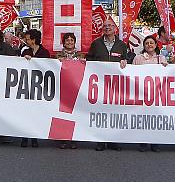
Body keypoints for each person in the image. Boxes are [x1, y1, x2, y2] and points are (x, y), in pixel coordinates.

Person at [87, 18, 127, 151]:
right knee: (100, 112)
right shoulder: (96, 44)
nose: (107, 28)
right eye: (105, 26)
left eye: (110, 25)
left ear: (115, 28)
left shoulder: (122, 45)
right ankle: (100, 140)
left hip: (115, 85)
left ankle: (113, 140)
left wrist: (125, 61)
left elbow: (126, 60)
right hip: (99, 84)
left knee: (115, 113)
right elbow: (89, 60)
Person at [133, 35, 167, 152]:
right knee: (143, 118)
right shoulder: (138, 58)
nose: (149, 45)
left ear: (156, 45)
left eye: (151, 43)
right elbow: (132, 74)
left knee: (156, 118)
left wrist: (166, 67)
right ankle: (143, 142)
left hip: (157, 94)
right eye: (147, 43)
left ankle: (155, 143)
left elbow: (166, 74)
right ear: (144, 46)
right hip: (142, 93)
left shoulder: (161, 58)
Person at [20, 29, 50, 147]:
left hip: (40, 86)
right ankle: (24, 136)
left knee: (36, 112)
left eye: (28, 38)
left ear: (33, 39)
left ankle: (34, 137)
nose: (26, 41)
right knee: (26, 112)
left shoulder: (44, 52)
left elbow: (48, 66)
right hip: (27, 85)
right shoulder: (25, 51)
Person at [56, 32, 85, 149]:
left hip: (76, 87)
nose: (69, 42)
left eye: (71, 40)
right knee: (62, 114)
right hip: (62, 87)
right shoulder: (57, 56)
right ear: (64, 42)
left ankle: (74, 138)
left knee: (76, 113)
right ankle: (62, 138)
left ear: (74, 42)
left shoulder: (81, 56)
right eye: (67, 40)